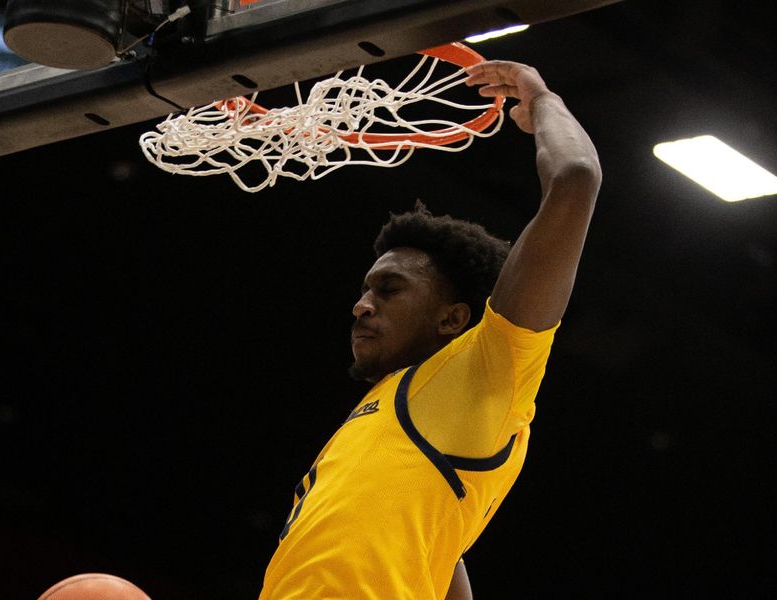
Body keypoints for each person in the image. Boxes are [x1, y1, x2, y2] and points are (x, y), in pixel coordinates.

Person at [258, 60, 601, 599]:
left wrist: (541, 101)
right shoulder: (389, 416)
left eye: (389, 290)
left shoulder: (486, 371)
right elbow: (445, 561)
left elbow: (576, 179)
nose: (361, 307)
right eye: (367, 290)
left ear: (452, 319)